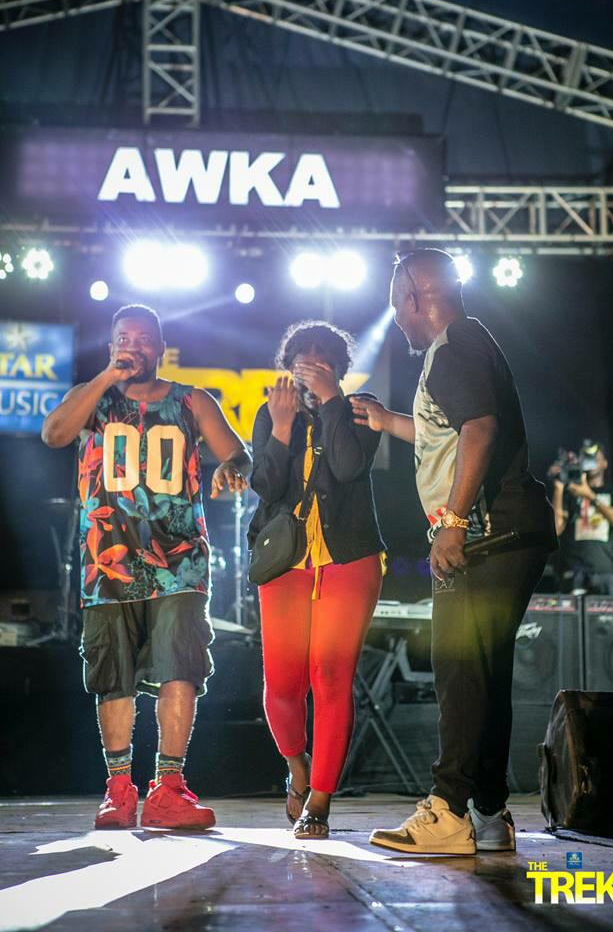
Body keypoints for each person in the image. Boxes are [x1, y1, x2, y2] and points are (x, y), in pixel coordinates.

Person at [350, 249, 557, 855]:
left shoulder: (454, 347)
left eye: (397, 306)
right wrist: (386, 421)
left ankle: (446, 810)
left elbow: (479, 430)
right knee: (484, 674)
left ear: (417, 297)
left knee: (459, 671)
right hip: (510, 531)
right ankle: (489, 813)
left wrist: (455, 522)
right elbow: (449, 428)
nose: (397, 320)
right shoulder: (466, 344)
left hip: (488, 533)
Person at [42, 304, 251, 829]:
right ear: (111, 346)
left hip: (179, 561)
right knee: (112, 674)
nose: (130, 346)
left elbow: (239, 453)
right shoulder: (93, 397)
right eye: (121, 338)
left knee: (181, 666)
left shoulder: (191, 400)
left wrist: (231, 468)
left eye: (141, 338)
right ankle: (118, 790)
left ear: (159, 348)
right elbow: (54, 434)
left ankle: (169, 788)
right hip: (108, 561)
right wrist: (105, 378)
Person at [249, 320, 386, 839]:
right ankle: (297, 765)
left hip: (348, 559)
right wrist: (282, 427)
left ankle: (321, 801)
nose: (311, 367)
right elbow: (266, 486)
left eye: (322, 359)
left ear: (339, 367)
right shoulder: (270, 412)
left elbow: (348, 467)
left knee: (330, 678)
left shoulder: (360, 410)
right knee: (281, 686)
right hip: (285, 562)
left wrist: (331, 401)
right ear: (287, 368)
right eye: (301, 360)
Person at [551, 443, 613, 595]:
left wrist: (589, 495)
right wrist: (558, 488)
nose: (591, 463)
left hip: (605, 572)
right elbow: (555, 529)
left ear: (604, 463)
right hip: (573, 570)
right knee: (572, 610)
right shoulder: (571, 491)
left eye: (595, 458)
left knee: (607, 610)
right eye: (587, 459)